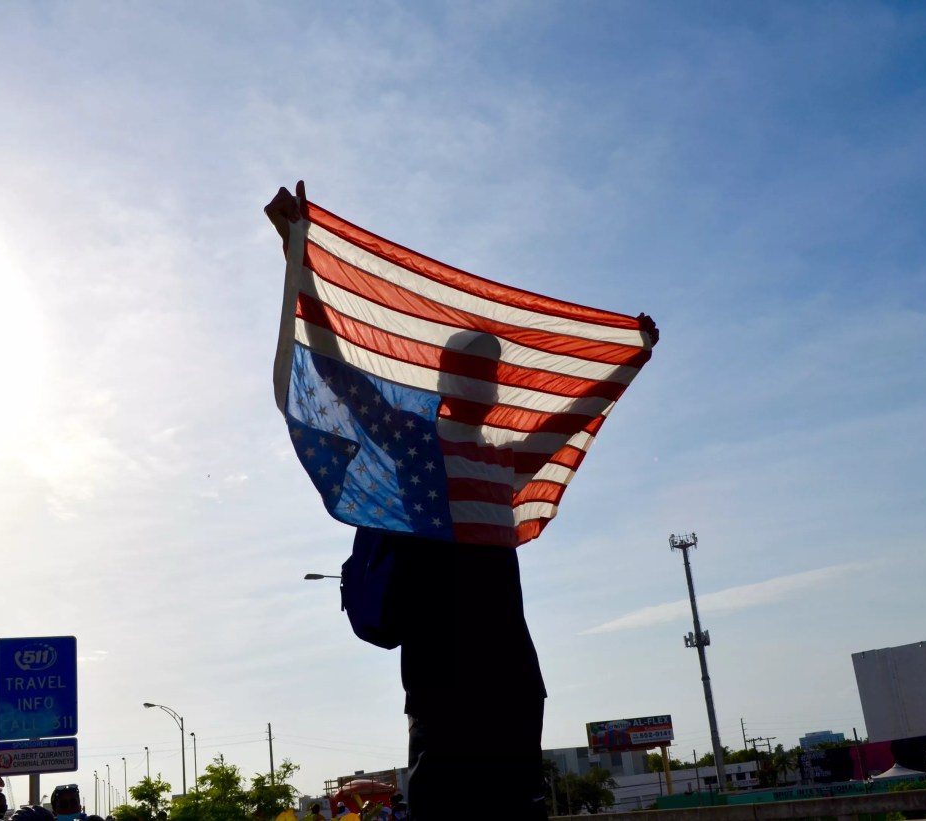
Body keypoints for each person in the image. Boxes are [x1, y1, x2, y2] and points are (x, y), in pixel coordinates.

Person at [266, 183, 656, 821]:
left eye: (490, 373)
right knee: (446, 803)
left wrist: (629, 362)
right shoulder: (416, 445)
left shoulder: (504, 462)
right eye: (471, 371)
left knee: (517, 806)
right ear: (446, 381)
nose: (483, 381)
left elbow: (572, 417)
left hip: (511, 674)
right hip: (443, 673)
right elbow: (344, 379)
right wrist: (298, 255)